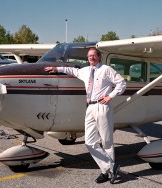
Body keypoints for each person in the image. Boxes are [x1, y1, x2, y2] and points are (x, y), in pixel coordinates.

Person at [44, 47, 126, 184]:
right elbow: (72, 70)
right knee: (89, 141)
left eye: (94, 56)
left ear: (99, 57)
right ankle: (111, 167)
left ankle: (107, 172)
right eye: (89, 56)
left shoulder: (106, 69)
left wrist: (110, 96)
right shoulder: (85, 71)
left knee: (106, 141)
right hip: (90, 107)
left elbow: (121, 83)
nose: (92, 58)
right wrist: (57, 69)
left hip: (102, 107)